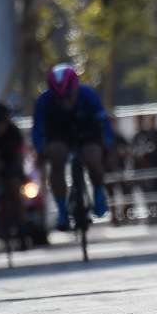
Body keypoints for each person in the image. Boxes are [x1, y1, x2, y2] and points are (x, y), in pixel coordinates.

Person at [31, 63, 114, 231]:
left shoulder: (88, 95)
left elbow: (104, 123)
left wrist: (108, 145)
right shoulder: (44, 101)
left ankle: (98, 195)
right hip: (59, 132)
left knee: (92, 158)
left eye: (69, 97)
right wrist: (40, 149)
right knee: (56, 157)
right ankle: (63, 212)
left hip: (87, 129)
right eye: (60, 99)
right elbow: (37, 129)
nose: (66, 103)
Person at [0, 103, 27, 238]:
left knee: (15, 190)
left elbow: (19, 153)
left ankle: (22, 226)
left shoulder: (14, 132)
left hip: (10, 163)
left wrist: (20, 172)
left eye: (1, 123)